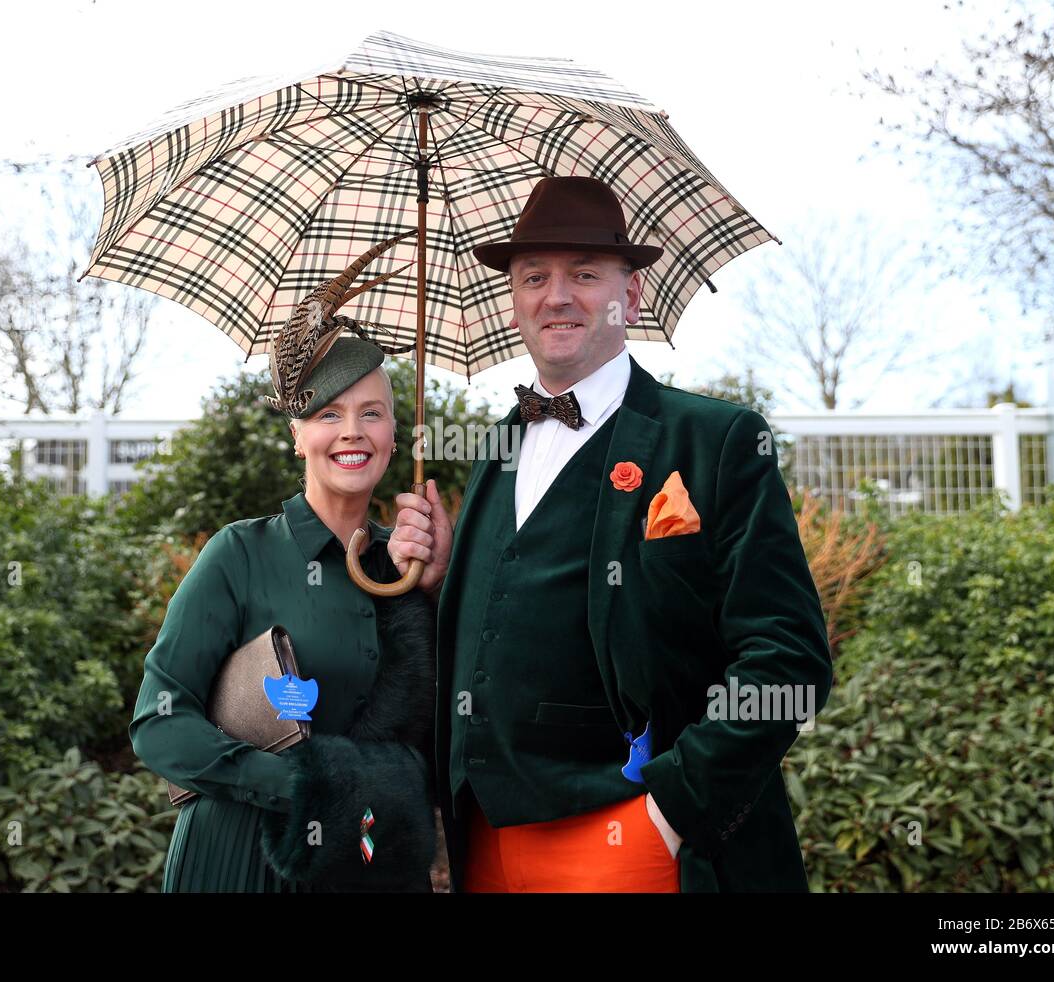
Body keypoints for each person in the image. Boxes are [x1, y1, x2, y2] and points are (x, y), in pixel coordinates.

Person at [388, 175, 834, 892]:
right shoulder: (497, 447)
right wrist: (446, 583)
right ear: (514, 301)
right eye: (535, 277)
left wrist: (673, 808)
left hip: (635, 839)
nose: (556, 296)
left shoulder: (713, 440)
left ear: (629, 298)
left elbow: (791, 657)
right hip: (487, 845)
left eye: (584, 275)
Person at [130, 332, 439, 892]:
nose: (352, 431)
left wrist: (437, 587)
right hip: (244, 859)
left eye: (372, 413)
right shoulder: (240, 553)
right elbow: (159, 722)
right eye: (328, 413)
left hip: (369, 867)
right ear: (298, 436)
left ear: (396, 436)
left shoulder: (415, 570)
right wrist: (299, 786)